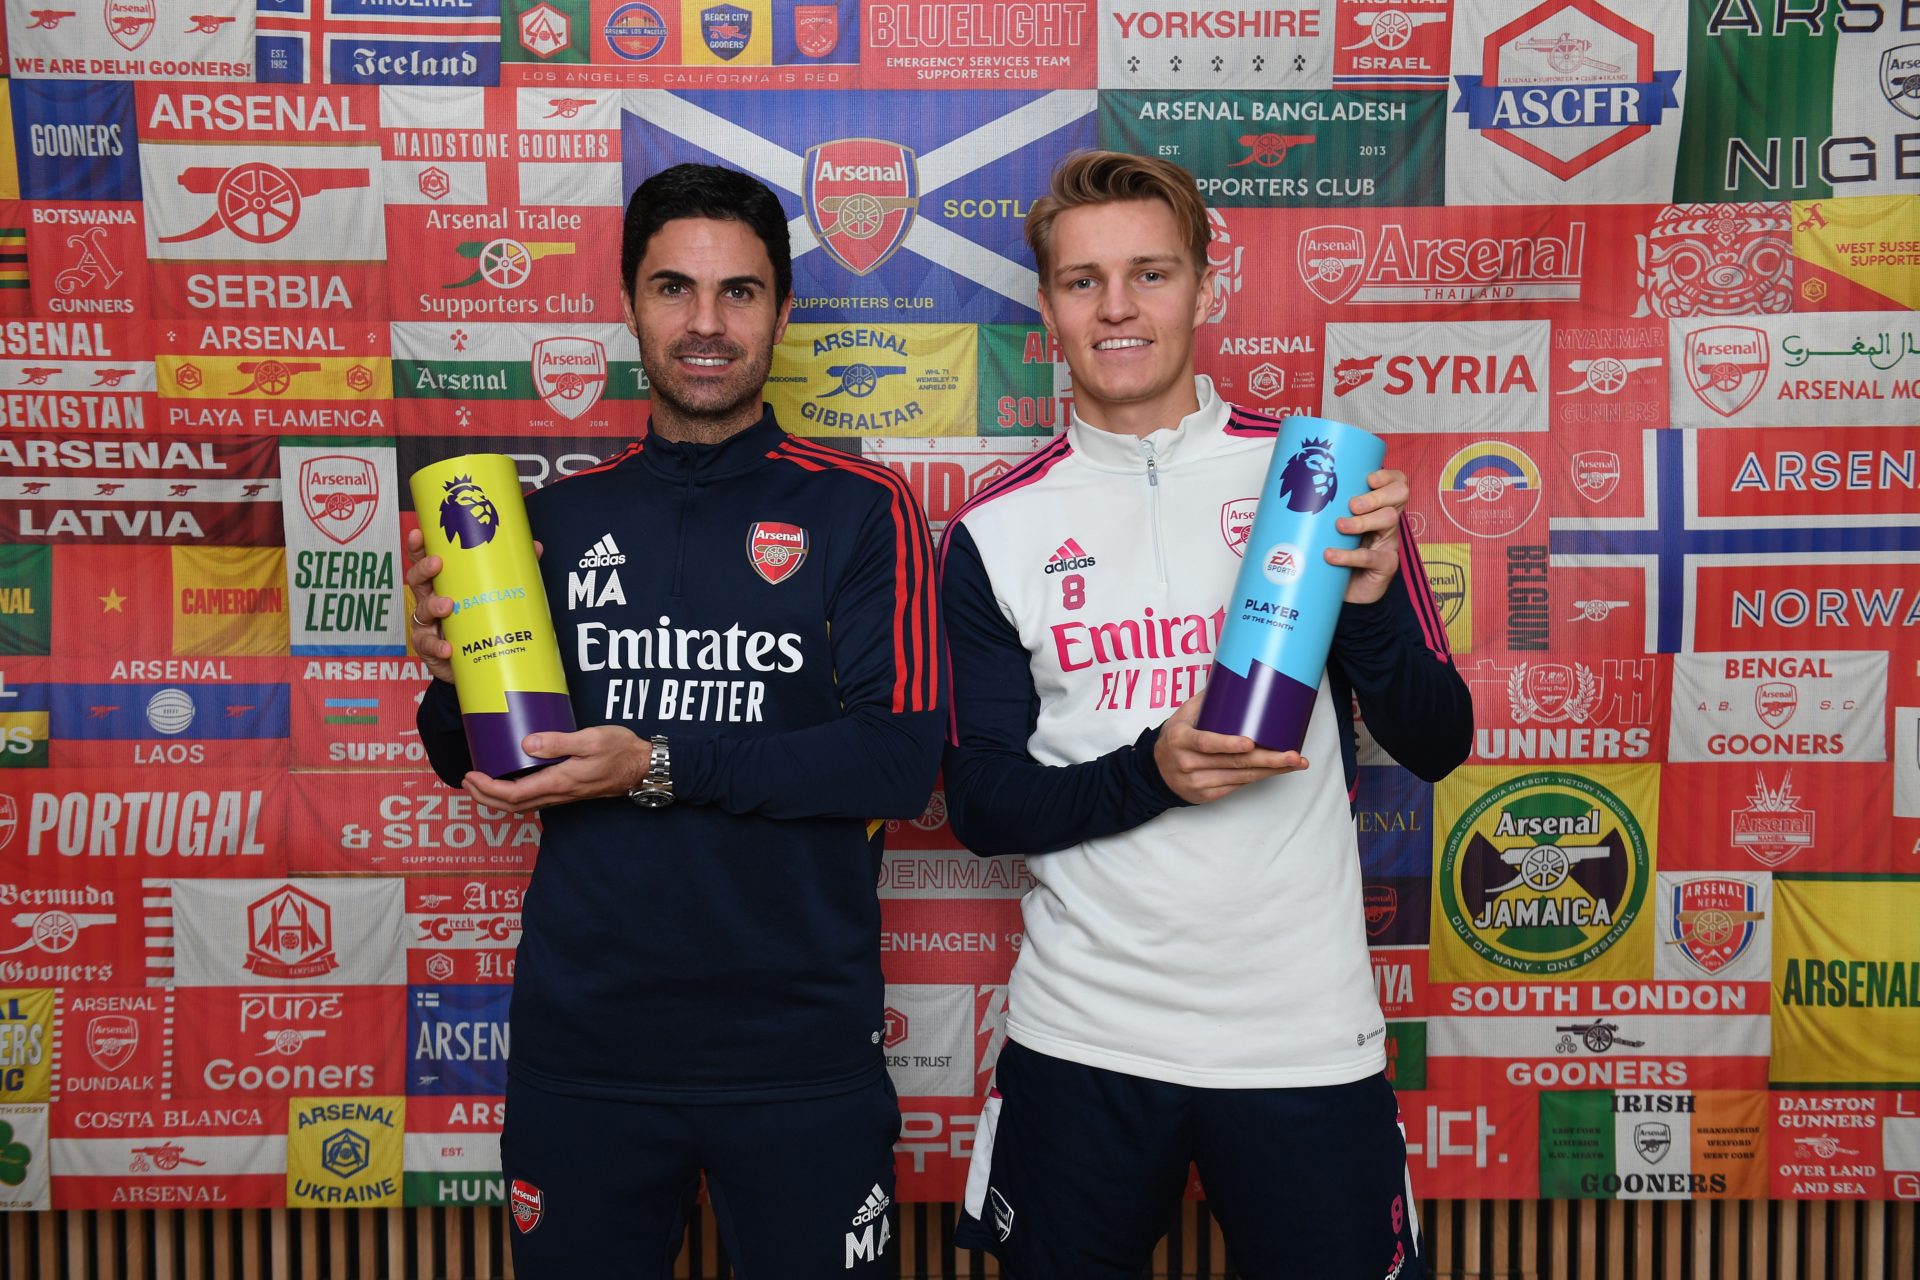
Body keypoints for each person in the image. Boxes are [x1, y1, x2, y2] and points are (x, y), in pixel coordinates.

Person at [939, 151, 1473, 1278]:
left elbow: (1436, 739)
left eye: (1150, 273)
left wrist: (1368, 611)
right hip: (1081, 1038)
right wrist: (1156, 770)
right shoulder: (995, 528)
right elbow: (985, 804)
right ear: (1046, 306)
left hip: (1301, 1036)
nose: (1118, 307)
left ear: (1206, 288)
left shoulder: (1310, 478)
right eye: (1082, 281)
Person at [408, 163, 942, 1278]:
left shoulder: (861, 507)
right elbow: (478, 761)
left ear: (784, 311)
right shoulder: (551, 518)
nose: (706, 324)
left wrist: (654, 764)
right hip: (587, 1052)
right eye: (674, 290)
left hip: (799, 1052)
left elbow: (900, 759)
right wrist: (456, 674)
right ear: (629, 302)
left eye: (739, 292)